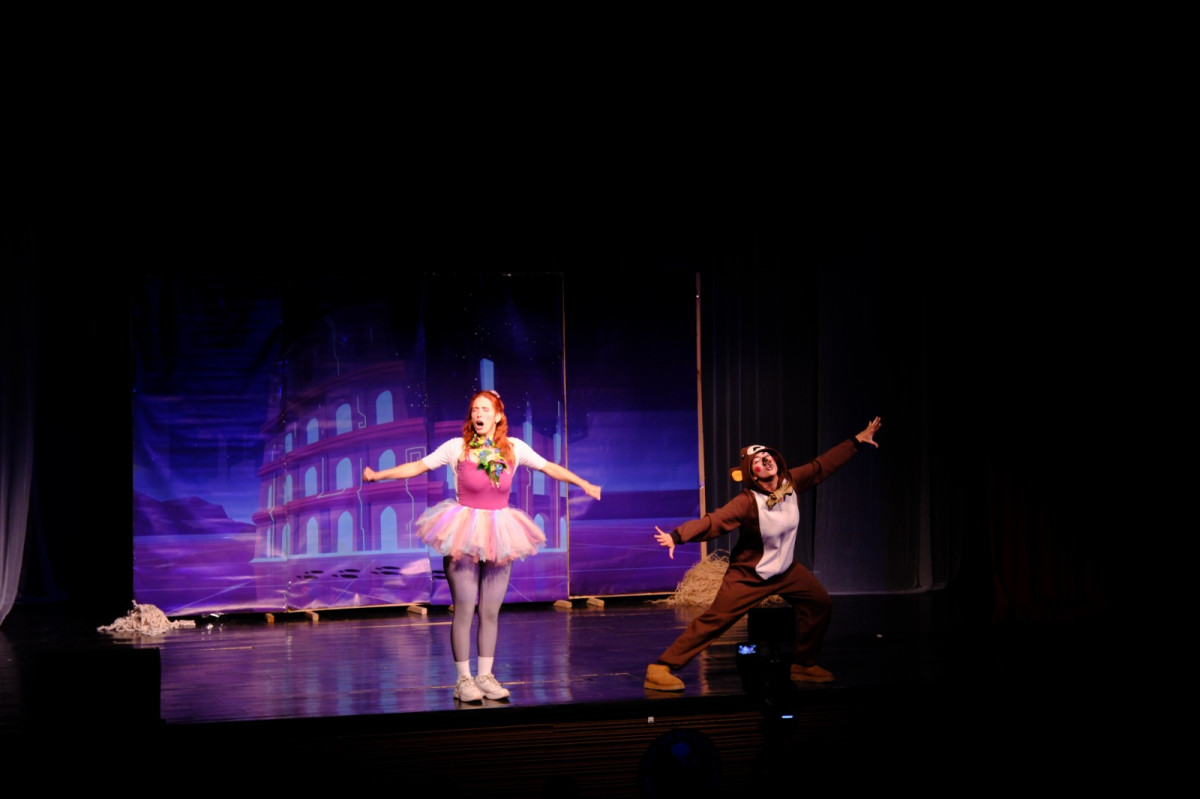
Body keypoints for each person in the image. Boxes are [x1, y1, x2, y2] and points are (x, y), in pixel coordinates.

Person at [363, 389, 602, 703]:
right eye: (475, 409)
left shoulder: (513, 449)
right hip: (463, 531)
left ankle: (485, 676)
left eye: (485, 409)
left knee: (490, 611)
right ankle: (464, 680)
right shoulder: (457, 447)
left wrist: (583, 483)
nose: (479, 414)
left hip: (500, 532)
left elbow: (549, 468)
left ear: (498, 416)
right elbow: (418, 466)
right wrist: (379, 475)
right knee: (464, 608)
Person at [643, 416, 882, 692]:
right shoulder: (747, 502)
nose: (765, 459)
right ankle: (661, 667)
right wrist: (677, 536)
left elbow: (822, 466)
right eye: (757, 460)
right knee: (716, 620)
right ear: (752, 474)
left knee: (819, 604)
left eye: (767, 455)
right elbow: (714, 521)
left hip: (787, 571)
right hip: (749, 575)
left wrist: (856, 441)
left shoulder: (791, 482)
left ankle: (804, 664)